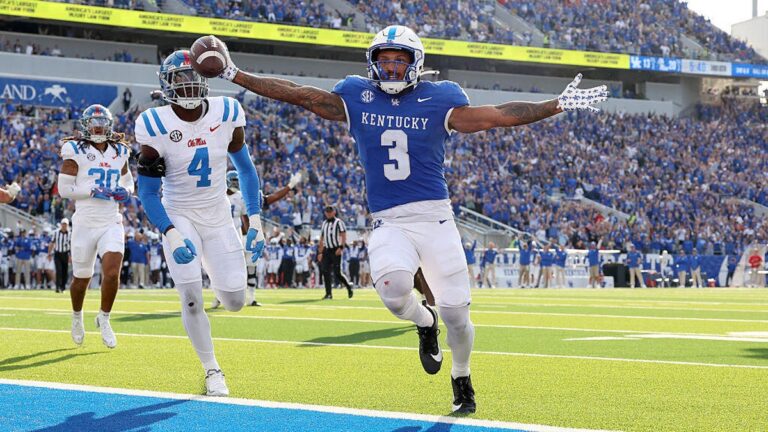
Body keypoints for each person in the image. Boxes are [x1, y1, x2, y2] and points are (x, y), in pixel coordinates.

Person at [211, 24, 606, 413]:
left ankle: (461, 374)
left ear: (415, 63)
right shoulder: (357, 95)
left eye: (399, 61)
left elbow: (498, 115)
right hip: (389, 220)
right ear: (373, 63)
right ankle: (424, 320)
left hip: (436, 219)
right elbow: (299, 94)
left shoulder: (440, 98)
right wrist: (233, 73)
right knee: (393, 290)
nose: (391, 68)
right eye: (384, 61)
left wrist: (556, 104)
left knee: (458, 314)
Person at [135, 50, 266, 397]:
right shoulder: (154, 123)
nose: (188, 84)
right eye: (180, 78)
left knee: (235, 300)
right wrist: (170, 232)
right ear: (167, 84)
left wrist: (255, 220)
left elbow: (246, 170)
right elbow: (147, 192)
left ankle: (214, 271)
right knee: (192, 297)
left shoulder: (227, 111)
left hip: (218, 213)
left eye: (193, 76)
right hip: (179, 211)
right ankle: (212, 370)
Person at [57, 104, 133, 348]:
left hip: (111, 220)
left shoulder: (120, 150)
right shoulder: (75, 149)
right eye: (93, 123)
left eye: (101, 123)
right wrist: (91, 190)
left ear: (109, 125)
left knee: (111, 273)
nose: (97, 127)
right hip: (85, 223)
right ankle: (77, 316)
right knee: (81, 279)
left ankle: (105, 317)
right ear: (85, 125)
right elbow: (64, 189)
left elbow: (128, 181)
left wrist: (126, 191)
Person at [318, 205, 353, 299]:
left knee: (337, 273)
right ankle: (328, 293)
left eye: (330, 212)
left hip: (336, 249)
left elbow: (343, 235)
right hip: (327, 250)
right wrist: (320, 252)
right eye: (327, 212)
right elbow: (321, 238)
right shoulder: (324, 223)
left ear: (334, 212)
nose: (329, 214)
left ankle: (348, 286)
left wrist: (341, 247)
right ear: (325, 213)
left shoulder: (339, 222)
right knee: (325, 271)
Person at [49, 218, 72, 293]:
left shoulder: (70, 234)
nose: (64, 225)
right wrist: (49, 253)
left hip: (66, 254)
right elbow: (52, 243)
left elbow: (71, 246)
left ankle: (63, 287)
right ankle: (57, 287)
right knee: (58, 270)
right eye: (63, 224)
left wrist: (71, 256)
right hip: (58, 253)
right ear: (61, 224)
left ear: (67, 225)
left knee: (65, 271)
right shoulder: (56, 233)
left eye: (65, 224)